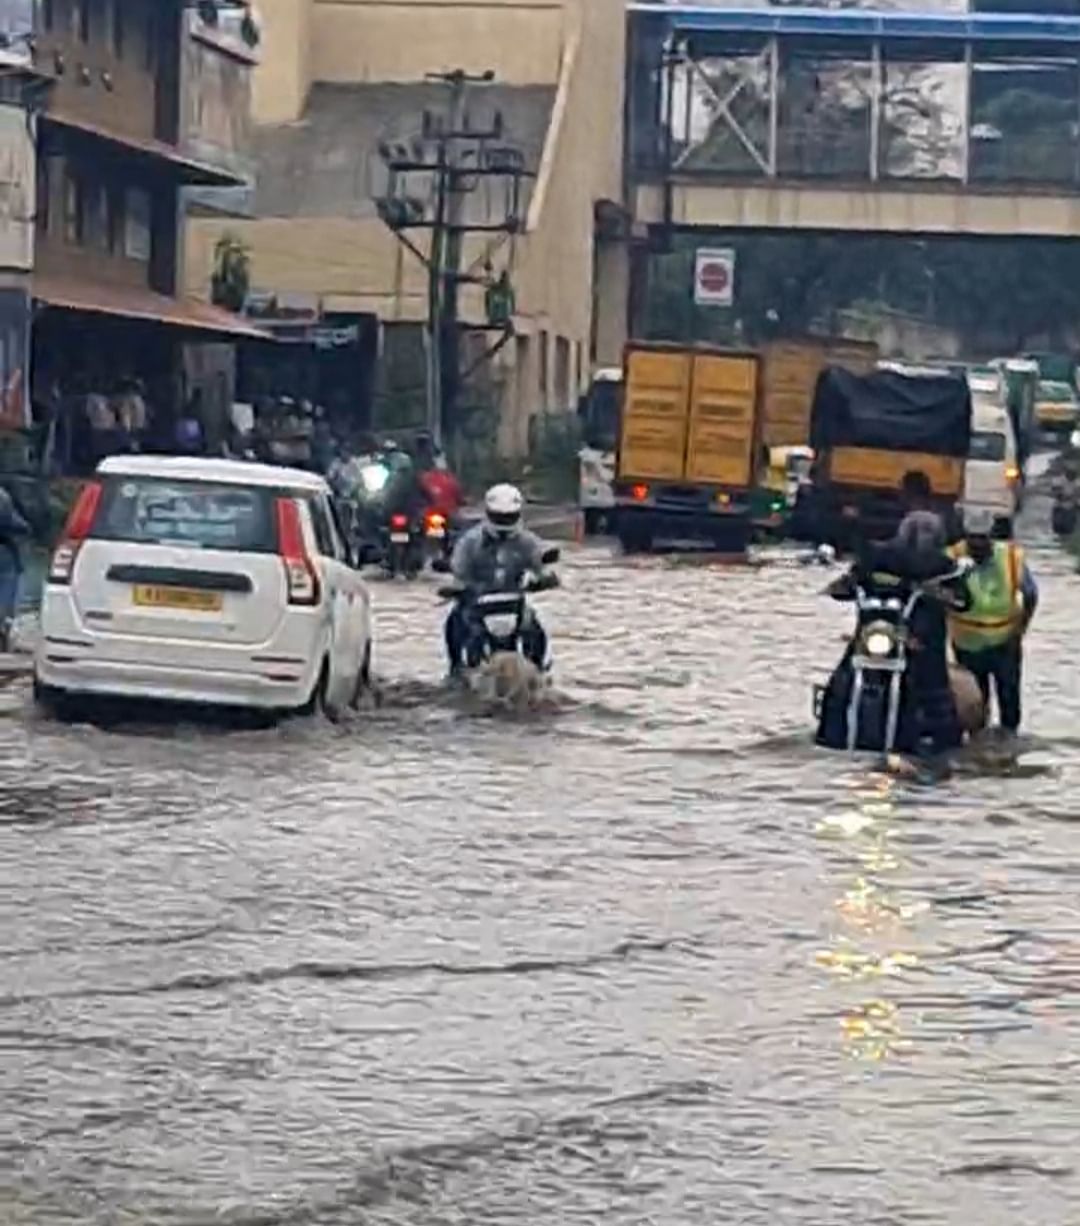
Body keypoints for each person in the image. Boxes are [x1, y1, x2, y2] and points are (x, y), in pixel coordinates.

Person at [817, 516, 970, 755]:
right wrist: (843, 586)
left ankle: (938, 738)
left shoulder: (945, 567)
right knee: (841, 677)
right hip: (877, 629)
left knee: (933, 683)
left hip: (921, 638)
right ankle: (830, 727)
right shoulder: (879, 559)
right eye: (915, 536)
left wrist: (939, 593)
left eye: (926, 537)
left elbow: (962, 599)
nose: (920, 541)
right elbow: (853, 579)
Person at [444, 483, 552, 676]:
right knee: (455, 623)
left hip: (514, 602)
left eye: (508, 517)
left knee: (536, 630)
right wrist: (456, 588)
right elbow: (458, 570)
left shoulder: (527, 541)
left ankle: (538, 669)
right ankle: (456, 667)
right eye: (499, 517)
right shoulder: (470, 542)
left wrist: (546, 579)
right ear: (488, 513)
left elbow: (541, 561)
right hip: (476, 602)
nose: (504, 521)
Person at [947, 506, 1038, 736]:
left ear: (991, 536)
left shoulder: (1010, 557)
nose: (977, 545)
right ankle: (979, 756)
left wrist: (1021, 629)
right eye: (972, 539)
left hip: (1005, 643)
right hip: (967, 645)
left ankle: (1007, 751)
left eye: (982, 539)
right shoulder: (952, 558)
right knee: (974, 709)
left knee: (1009, 704)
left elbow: (1030, 594)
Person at [0, 486, 28, 653]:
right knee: (7, 593)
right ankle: (3, 628)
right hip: (4, 551)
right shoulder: (2, 497)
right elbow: (20, 526)